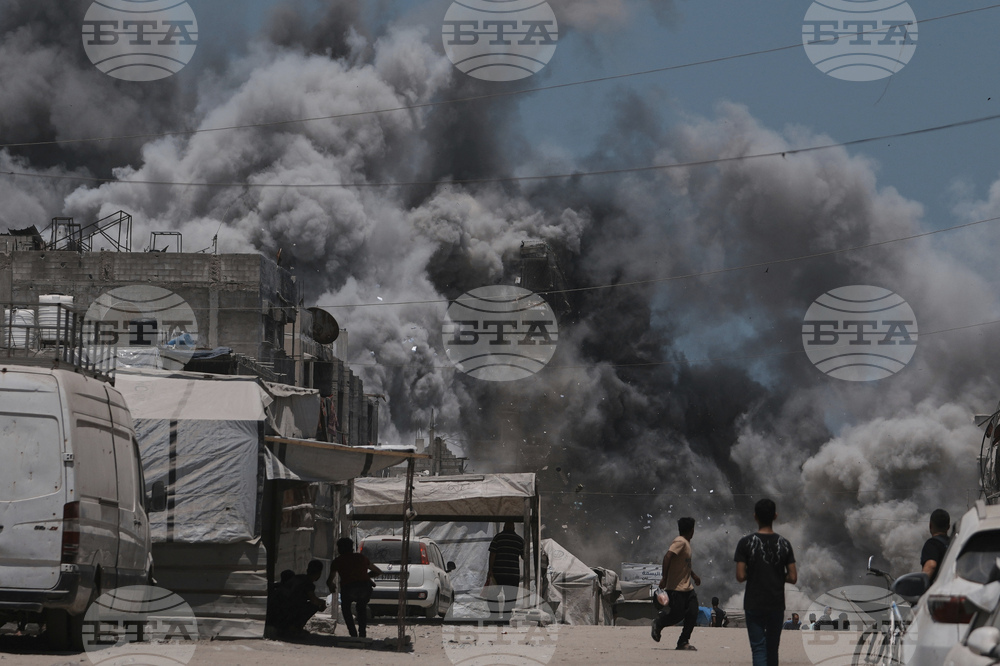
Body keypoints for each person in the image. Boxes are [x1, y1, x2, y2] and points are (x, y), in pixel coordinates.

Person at [735, 498, 797, 666]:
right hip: (776, 603)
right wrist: (776, 574)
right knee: (772, 649)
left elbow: (740, 576)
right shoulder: (784, 544)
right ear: (775, 516)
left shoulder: (745, 543)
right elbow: (793, 577)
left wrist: (756, 573)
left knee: (758, 649)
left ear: (755, 516)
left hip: (754, 603)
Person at [651, 516, 701, 651]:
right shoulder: (680, 541)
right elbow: (667, 556)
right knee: (677, 615)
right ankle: (659, 623)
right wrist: (664, 578)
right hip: (676, 588)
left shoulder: (686, 544)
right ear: (691, 530)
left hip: (687, 588)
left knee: (693, 612)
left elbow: (684, 564)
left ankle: (683, 642)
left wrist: (693, 575)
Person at [327, 537, 382, 638]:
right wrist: (365, 576)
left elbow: (330, 580)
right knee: (361, 608)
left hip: (348, 589)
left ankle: (353, 633)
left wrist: (331, 586)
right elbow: (377, 571)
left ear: (339, 548)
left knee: (346, 608)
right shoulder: (361, 558)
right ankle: (362, 633)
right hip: (364, 588)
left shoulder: (337, 561)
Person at [278, 560, 327, 638]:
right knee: (314, 606)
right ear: (319, 574)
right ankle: (294, 628)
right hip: (288, 611)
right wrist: (322, 603)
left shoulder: (298, 578)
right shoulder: (308, 583)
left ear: (307, 570)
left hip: (280, 609)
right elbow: (314, 601)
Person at [486, 521, 524, 619]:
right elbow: (524, 556)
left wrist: (490, 570)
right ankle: (506, 617)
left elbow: (492, 554)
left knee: (491, 594)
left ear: (504, 526)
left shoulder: (498, 538)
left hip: (498, 573)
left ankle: (494, 615)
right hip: (513, 574)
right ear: (514, 527)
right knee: (510, 597)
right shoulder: (519, 540)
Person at [921, 508, 951, 586]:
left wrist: (920, 585)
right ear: (948, 527)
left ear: (930, 525)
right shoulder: (954, 543)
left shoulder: (932, 544)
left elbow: (931, 565)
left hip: (938, 590)